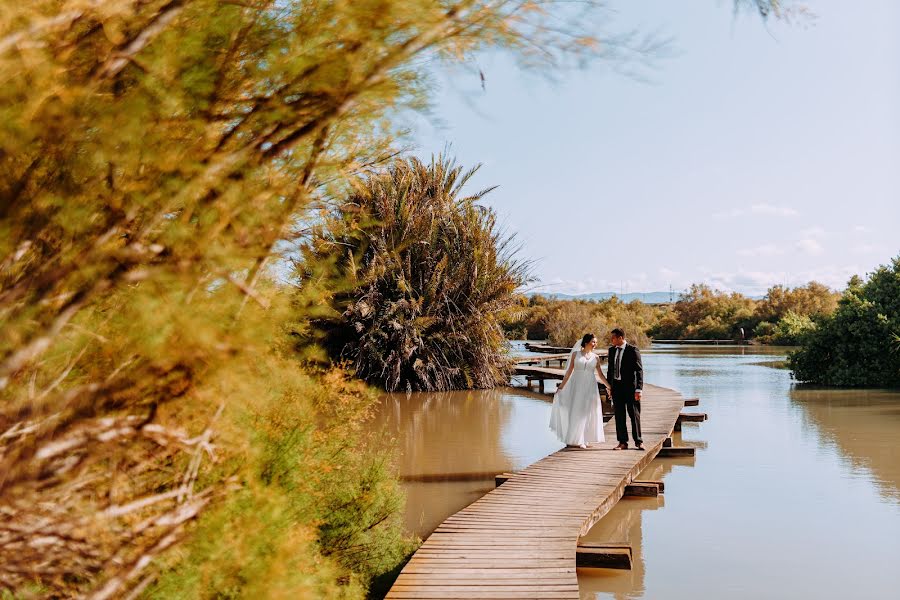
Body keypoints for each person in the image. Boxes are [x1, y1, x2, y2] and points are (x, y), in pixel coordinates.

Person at [549, 333, 612, 448]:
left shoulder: (596, 357)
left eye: (596, 342)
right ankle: (576, 439)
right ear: (587, 342)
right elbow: (568, 373)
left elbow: (601, 375)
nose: (595, 344)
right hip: (577, 385)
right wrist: (561, 387)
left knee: (588, 411)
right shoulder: (575, 354)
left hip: (590, 387)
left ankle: (585, 439)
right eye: (593, 342)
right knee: (577, 410)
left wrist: (609, 386)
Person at [607, 327, 644, 450]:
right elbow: (610, 371)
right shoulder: (611, 351)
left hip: (630, 388)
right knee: (619, 416)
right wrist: (609, 387)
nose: (611, 340)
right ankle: (622, 442)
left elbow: (639, 371)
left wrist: (639, 389)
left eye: (613, 338)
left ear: (620, 338)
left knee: (634, 415)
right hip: (617, 388)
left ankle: (639, 441)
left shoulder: (633, 350)